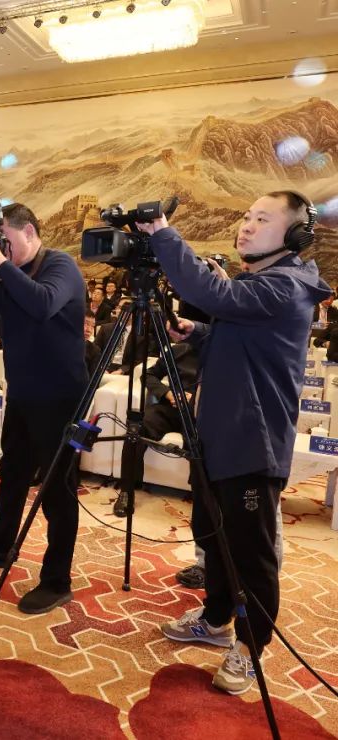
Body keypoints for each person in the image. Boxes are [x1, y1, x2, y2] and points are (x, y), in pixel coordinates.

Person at [146, 191, 331, 695]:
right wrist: (199, 333)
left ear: (294, 235)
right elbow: (241, 336)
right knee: (212, 536)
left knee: (250, 553)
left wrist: (162, 233)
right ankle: (216, 619)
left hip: (252, 442)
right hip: (218, 433)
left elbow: (214, 293)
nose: (246, 226)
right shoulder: (260, 284)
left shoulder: (287, 286)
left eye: (262, 219)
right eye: (247, 217)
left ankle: (251, 647)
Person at [0, 201, 88, 615]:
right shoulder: (9, 272)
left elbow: (43, 303)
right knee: (11, 474)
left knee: (56, 490)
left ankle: (57, 580)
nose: (2, 248)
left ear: (28, 231)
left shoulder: (60, 266)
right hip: (24, 393)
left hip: (60, 396)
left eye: (5, 240)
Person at [113, 341, 198, 517]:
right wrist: (168, 393)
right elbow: (148, 375)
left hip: (200, 412)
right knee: (136, 429)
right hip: (171, 407)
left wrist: (196, 399)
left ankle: (202, 497)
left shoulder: (220, 353)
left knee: (200, 440)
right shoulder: (179, 350)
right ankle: (127, 491)